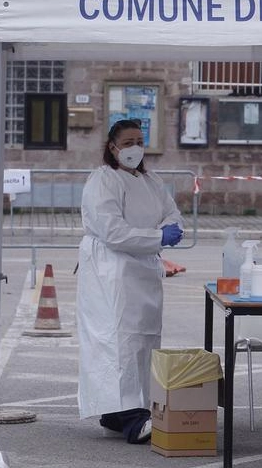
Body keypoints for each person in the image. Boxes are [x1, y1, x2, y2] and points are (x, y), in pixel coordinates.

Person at [75, 119, 184, 444]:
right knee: (117, 344)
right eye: (127, 142)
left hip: (143, 270)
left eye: (139, 140)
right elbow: (113, 232)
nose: (134, 147)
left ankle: (120, 413)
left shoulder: (150, 180)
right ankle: (132, 417)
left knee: (143, 343)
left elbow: (171, 212)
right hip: (112, 272)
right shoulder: (103, 181)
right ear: (112, 147)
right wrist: (156, 235)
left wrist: (169, 229)